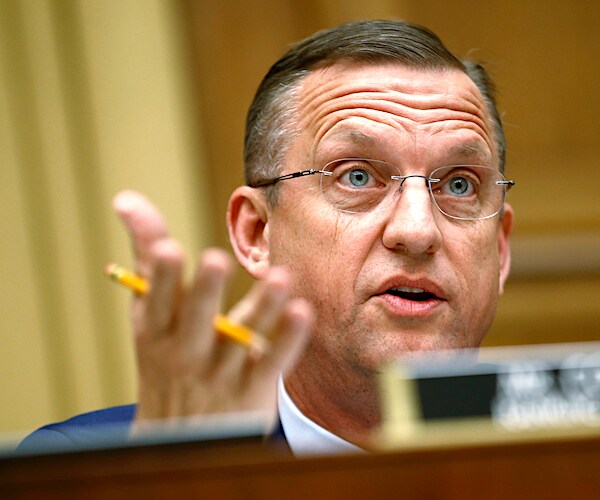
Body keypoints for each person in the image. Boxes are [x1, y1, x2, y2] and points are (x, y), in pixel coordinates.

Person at [19, 19, 513, 455]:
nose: (416, 230)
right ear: (257, 232)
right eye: (357, 176)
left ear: (501, 248)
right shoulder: (82, 472)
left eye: (459, 185)